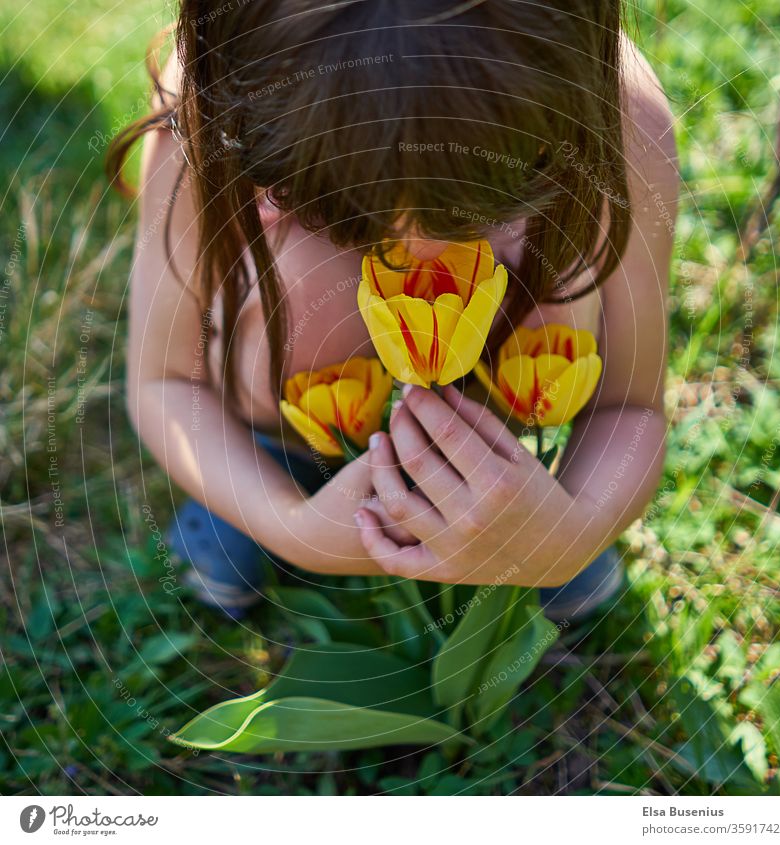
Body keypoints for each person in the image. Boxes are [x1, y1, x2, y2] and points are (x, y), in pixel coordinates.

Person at [108, 1, 677, 621]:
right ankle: (264, 479)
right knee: (302, 294)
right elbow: (163, 381)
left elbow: (633, 402)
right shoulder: (211, 107)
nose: (420, 254)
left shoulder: (618, 116)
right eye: (335, 213)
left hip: (508, 461)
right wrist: (286, 523)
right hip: (284, 440)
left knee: (571, 582)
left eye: (484, 212)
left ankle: (533, 499)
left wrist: (574, 530)